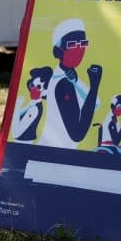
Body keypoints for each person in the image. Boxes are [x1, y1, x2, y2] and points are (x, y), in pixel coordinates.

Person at [38, 18, 102, 149]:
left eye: (83, 43)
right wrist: (94, 86)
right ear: (57, 51)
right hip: (55, 154)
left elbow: (96, 103)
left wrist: (78, 82)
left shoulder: (69, 76)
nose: (79, 49)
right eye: (72, 44)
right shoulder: (62, 83)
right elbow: (77, 133)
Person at [11, 67, 53, 143]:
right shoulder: (32, 105)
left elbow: (15, 134)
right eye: (32, 85)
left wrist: (17, 106)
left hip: (23, 144)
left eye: (38, 87)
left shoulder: (34, 109)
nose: (33, 89)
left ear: (45, 91)